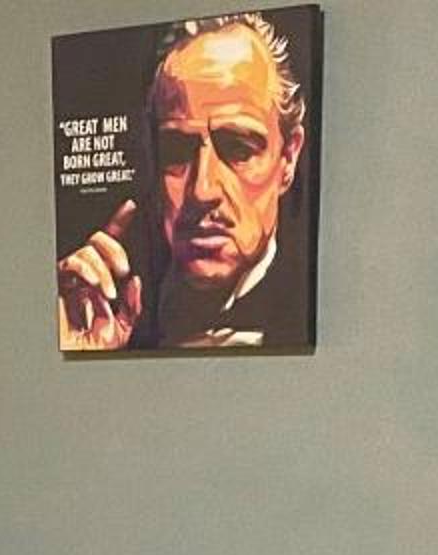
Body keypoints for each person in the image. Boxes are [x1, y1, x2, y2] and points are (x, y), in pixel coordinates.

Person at [58, 12, 311, 352]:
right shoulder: (113, 307)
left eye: (239, 149)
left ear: (288, 157)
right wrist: (79, 349)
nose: (203, 190)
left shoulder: (306, 310)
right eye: (177, 151)